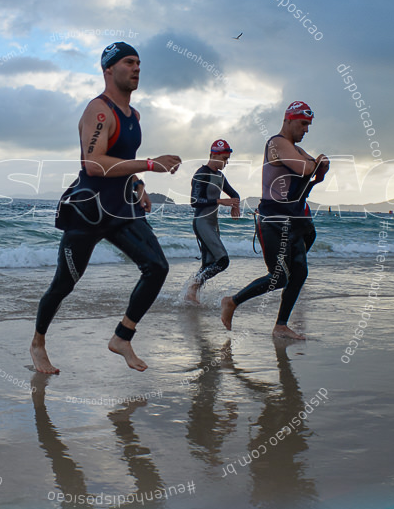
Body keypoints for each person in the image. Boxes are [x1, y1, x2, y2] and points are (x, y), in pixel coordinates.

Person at [33, 42, 182, 374]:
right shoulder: (98, 111)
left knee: (157, 267)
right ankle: (38, 343)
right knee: (64, 284)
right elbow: (94, 165)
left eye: (139, 63)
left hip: (121, 208)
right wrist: (149, 164)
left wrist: (137, 184)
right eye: (129, 62)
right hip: (88, 211)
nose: (136, 68)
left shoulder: (134, 116)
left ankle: (122, 337)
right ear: (108, 69)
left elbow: (121, 162)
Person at [220, 101, 329, 339]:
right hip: (274, 220)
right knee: (279, 277)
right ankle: (232, 302)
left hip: (295, 221)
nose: (306, 130)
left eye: (309, 125)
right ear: (288, 120)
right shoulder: (276, 143)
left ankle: (281, 325)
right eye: (303, 124)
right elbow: (306, 168)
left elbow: (316, 170)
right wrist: (317, 164)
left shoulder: (295, 149)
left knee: (299, 273)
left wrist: (318, 166)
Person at [185, 139, 241, 303]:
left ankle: (191, 296)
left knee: (208, 263)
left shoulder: (219, 176)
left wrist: (234, 205)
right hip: (202, 223)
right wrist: (220, 201)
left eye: (227, 159)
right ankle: (193, 287)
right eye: (224, 158)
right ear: (213, 155)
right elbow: (194, 201)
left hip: (213, 224)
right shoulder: (201, 173)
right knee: (222, 261)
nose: (226, 162)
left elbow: (234, 194)